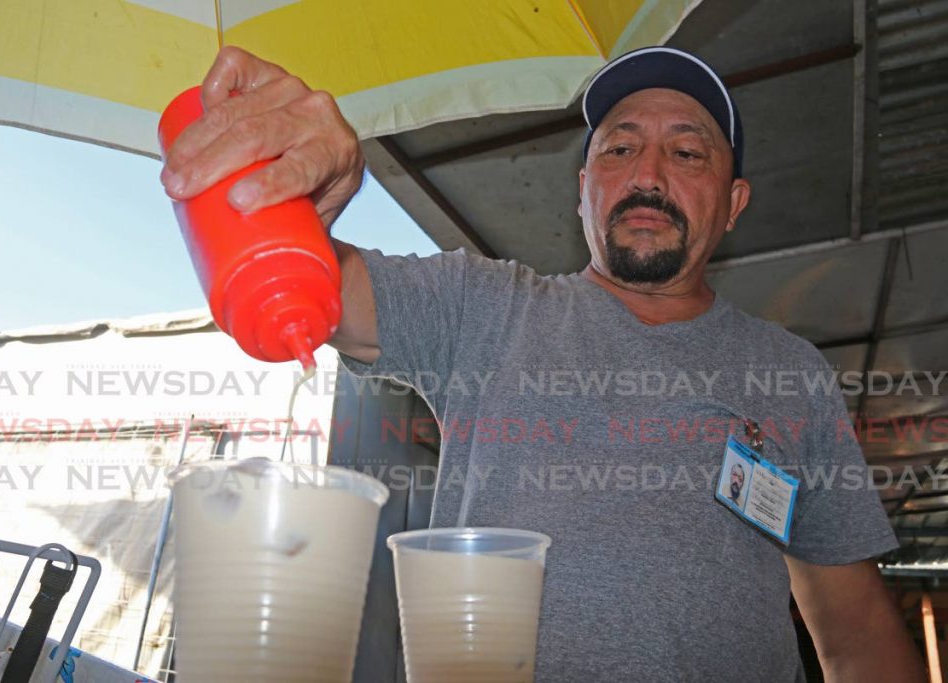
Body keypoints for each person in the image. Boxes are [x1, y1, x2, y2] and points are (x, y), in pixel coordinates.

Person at [161, 45, 925, 681]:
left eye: (688, 151)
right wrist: (290, 209)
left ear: (733, 203)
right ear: (583, 194)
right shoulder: (483, 306)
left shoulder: (790, 372)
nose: (649, 173)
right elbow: (317, 289)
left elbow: (855, 633)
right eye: (619, 148)